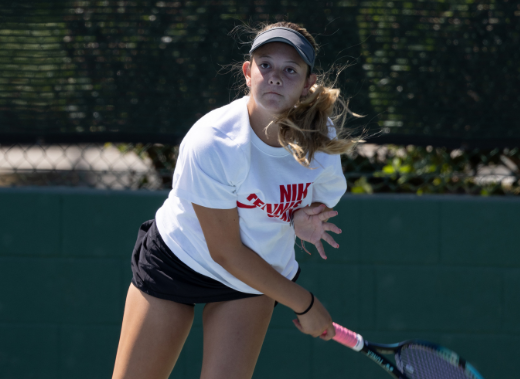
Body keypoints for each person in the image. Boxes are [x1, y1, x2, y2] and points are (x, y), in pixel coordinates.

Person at [112, 22, 360, 379]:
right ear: (247, 73)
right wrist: (305, 304)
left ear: (309, 84)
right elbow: (225, 251)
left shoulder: (320, 139)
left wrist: (301, 218)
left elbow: (310, 203)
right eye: (266, 65)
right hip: (179, 259)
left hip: (253, 276)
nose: (275, 77)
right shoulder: (213, 141)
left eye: (290, 70)